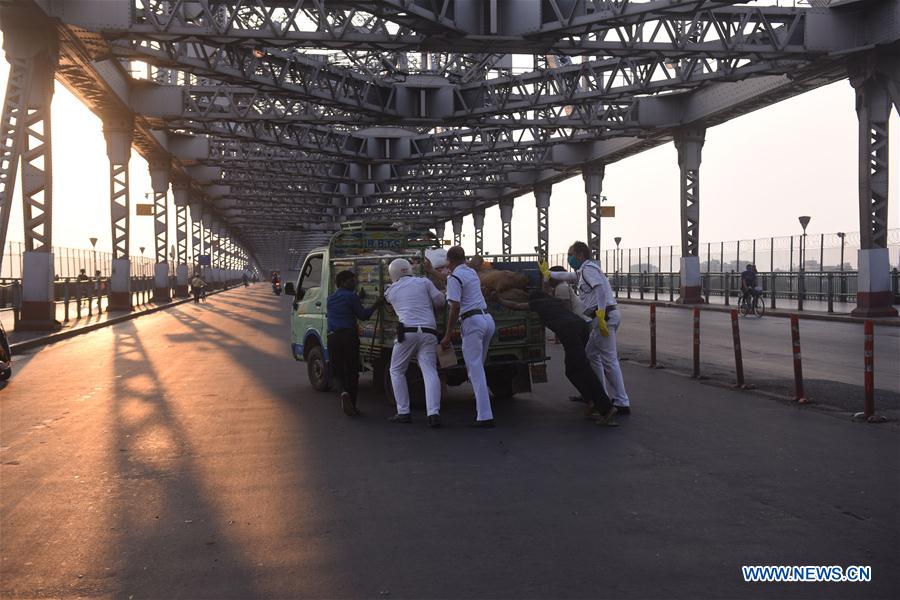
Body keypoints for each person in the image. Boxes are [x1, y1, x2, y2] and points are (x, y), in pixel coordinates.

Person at [493, 287, 618, 426]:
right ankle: (592, 401)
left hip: (569, 332)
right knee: (572, 370)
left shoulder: (536, 304)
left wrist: (498, 299)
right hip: (581, 327)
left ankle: (606, 409)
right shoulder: (554, 301)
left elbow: (516, 306)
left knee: (583, 370)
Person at [542, 241, 631, 415]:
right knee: (591, 355)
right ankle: (602, 396)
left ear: (580, 254)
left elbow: (600, 290)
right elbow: (568, 277)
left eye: (570, 254)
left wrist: (601, 312)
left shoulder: (589, 269)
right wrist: (549, 272)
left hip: (603, 317)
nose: (569, 258)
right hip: (602, 316)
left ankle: (621, 401)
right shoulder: (584, 271)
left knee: (609, 360)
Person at [384, 258, 446, 427]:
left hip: (408, 332)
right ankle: (433, 413)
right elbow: (440, 302)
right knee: (429, 371)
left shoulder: (391, 290)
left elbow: (387, 300)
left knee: (396, 370)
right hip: (429, 332)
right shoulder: (424, 282)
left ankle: (403, 412)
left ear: (392, 274)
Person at [440, 246, 496, 427]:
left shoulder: (453, 277)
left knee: (476, 369)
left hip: (472, 322)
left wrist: (448, 335)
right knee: (477, 367)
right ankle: (481, 398)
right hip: (488, 320)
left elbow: (455, 307)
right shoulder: (470, 272)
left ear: (450, 261)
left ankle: (485, 416)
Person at [327, 270, 381, 417]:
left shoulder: (330, 298)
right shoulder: (351, 297)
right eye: (352, 280)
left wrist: (358, 299)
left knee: (337, 370)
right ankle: (354, 406)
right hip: (348, 336)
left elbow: (344, 307)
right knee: (352, 371)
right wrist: (377, 303)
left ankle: (343, 392)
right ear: (343, 282)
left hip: (332, 338)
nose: (355, 283)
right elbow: (363, 316)